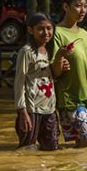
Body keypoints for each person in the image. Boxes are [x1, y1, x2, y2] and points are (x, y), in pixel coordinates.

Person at [52, 0, 87, 148]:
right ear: (66, 7)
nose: (83, 10)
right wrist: (60, 58)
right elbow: (55, 71)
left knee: (82, 147)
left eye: (85, 6)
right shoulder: (57, 33)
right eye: (78, 6)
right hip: (72, 98)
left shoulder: (85, 33)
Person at [13, 12, 67, 151]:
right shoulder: (26, 52)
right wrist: (22, 111)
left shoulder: (50, 50)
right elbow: (19, 83)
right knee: (27, 149)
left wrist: (60, 63)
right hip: (32, 109)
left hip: (49, 108)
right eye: (40, 29)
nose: (46, 32)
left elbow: (53, 76)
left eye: (49, 28)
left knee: (52, 149)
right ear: (31, 30)